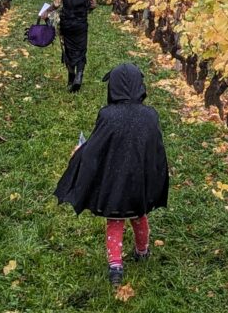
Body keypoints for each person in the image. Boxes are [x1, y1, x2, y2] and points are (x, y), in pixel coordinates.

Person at [54, 63, 170, 288]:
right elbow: (155, 148)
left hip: (114, 180)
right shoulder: (150, 115)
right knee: (139, 215)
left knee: (115, 220)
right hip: (140, 180)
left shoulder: (108, 115)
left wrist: (80, 153)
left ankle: (115, 265)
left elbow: (97, 145)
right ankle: (142, 251)